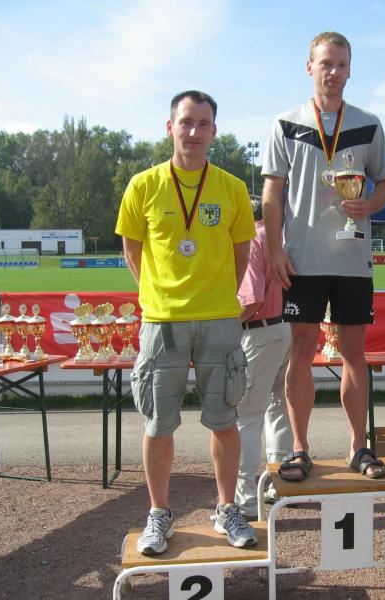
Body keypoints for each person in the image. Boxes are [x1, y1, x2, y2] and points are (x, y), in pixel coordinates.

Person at [116, 90, 258, 554]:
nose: (194, 131)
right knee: (158, 425)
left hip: (219, 320)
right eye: (186, 122)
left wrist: (215, 296)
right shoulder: (143, 185)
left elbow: (240, 256)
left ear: (214, 131)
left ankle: (226, 509)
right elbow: (132, 251)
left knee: (224, 421)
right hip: (163, 322)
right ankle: (159, 514)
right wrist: (160, 296)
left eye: (203, 124)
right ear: (169, 126)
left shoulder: (232, 189)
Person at [261, 31, 385, 481]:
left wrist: (369, 203)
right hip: (302, 259)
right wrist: (275, 249)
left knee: (354, 353)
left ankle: (359, 446)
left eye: (341, 64)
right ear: (309, 67)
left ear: (350, 70)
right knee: (301, 352)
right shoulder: (285, 123)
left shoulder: (368, 124)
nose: (333, 72)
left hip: (352, 260)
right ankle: (299, 449)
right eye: (325, 63)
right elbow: (272, 193)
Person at [235, 198, 293, 518]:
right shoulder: (277, 238)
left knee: (246, 414)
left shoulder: (251, 241)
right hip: (285, 328)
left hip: (259, 331)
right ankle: (281, 484)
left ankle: (244, 497)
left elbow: (251, 299)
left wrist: (228, 326)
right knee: (278, 408)